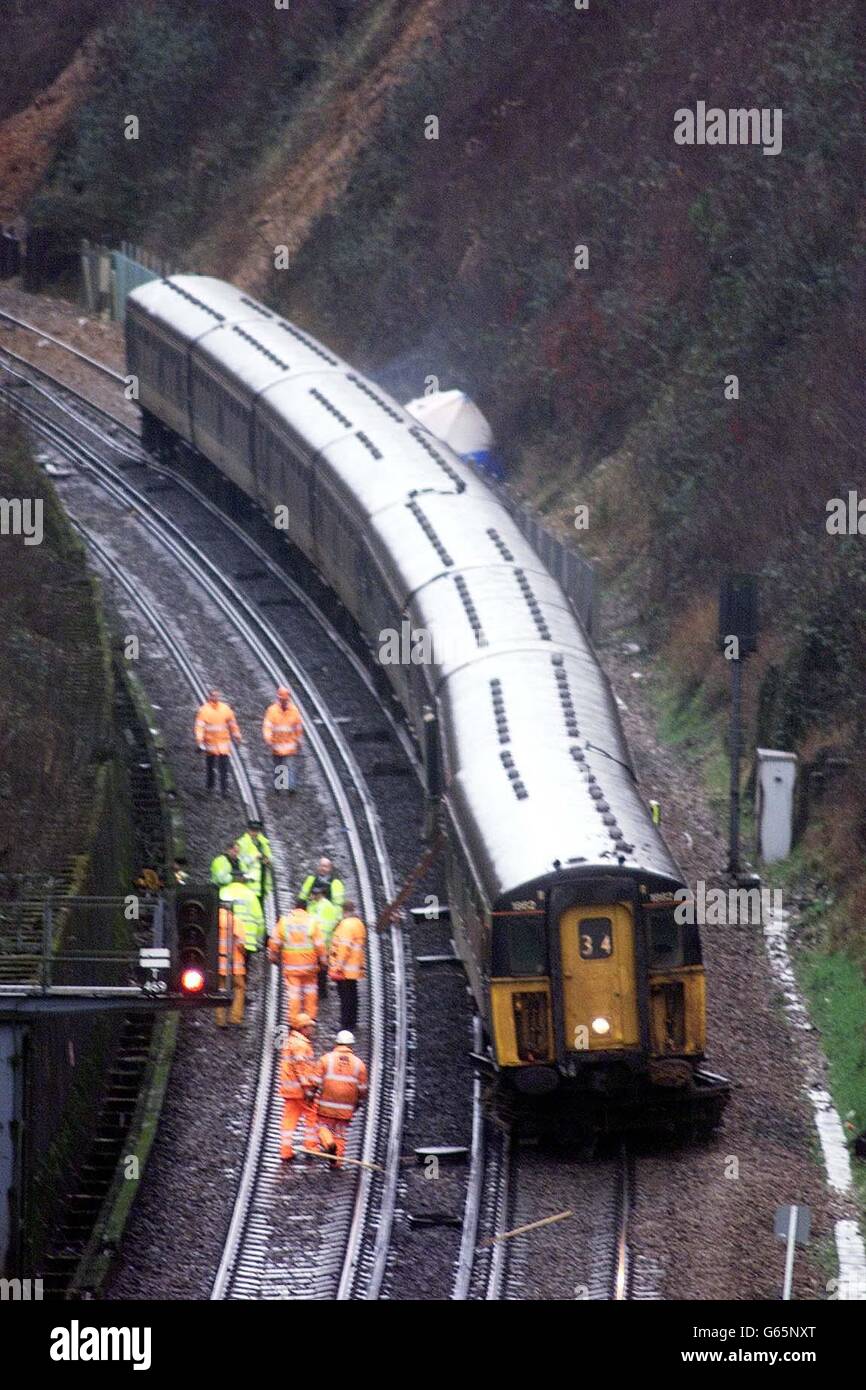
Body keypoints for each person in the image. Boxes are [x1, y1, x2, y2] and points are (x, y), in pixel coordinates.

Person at [307, 1031, 368, 1169]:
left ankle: (328, 1144)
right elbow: (363, 1089)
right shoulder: (359, 1064)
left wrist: (311, 1094)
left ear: (337, 1043)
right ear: (351, 1045)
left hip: (326, 1105)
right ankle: (337, 1162)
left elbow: (315, 1081)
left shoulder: (325, 1059)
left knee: (322, 1127)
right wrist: (359, 1102)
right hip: (346, 1107)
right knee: (340, 1134)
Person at [269, 901, 326, 1025]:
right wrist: (323, 961)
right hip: (310, 967)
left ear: (294, 908)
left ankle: (295, 1021)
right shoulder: (312, 922)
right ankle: (310, 1019)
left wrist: (273, 955)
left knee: (294, 995)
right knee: (310, 993)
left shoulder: (284, 921)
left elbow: (275, 942)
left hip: (292, 967)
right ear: (306, 909)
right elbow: (319, 945)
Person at [219, 870, 265, 1003]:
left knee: (222, 968)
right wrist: (259, 940)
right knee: (242, 969)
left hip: (224, 938)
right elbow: (260, 920)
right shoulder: (250, 895)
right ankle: (239, 996)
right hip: (246, 940)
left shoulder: (223, 891)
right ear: (243, 880)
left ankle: (223, 993)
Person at [278, 1013, 318, 1160]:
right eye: (310, 1027)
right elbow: (301, 1067)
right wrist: (307, 1087)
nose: (312, 1030)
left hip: (289, 1089)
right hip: (300, 1090)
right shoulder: (301, 1045)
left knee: (289, 1119)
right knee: (312, 1116)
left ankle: (285, 1151)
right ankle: (310, 1147)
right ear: (303, 1028)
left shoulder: (289, 1041)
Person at [194, 689, 242, 798]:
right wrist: (199, 740)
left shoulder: (225, 709)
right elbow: (199, 727)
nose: (215, 697)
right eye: (213, 695)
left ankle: (224, 790)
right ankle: (210, 788)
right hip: (210, 746)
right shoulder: (204, 711)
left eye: (216, 695)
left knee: (223, 769)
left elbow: (232, 724)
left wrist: (237, 735)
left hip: (223, 746)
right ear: (209, 696)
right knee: (210, 768)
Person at [328, 900, 366, 1033]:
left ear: (344, 911)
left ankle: (345, 1025)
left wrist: (338, 966)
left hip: (344, 969)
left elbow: (344, 947)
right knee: (353, 995)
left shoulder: (346, 925)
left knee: (345, 998)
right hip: (354, 968)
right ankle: (352, 1022)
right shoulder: (358, 923)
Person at [262, 686, 303, 793]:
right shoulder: (272, 711)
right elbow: (267, 726)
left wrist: (299, 740)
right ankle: (280, 786)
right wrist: (268, 738)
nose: (284, 701)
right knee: (279, 766)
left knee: (289, 766)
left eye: (286, 699)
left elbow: (297, 727)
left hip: (289, 745)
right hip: (277, 744)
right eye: (283, 699)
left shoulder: (294, 711)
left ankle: (290, 787)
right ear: (279, 699)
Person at [216, 898, 247, 1027]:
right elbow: (240, 944)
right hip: (234, 965)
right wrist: (244, 954)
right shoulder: (235, 920)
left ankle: (220, 1019)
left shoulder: (212, 920)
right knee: (239, 988)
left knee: (220, 990)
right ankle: (235, 1017)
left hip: (217, 964)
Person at [307, 886, 342, 999]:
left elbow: (324, 926)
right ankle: (319, 991)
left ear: (319, 894)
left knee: (321, 969)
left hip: (322, 943)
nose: (311, 896)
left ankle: (322, 993)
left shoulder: (325, 906)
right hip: (317, 942)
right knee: (318, 968)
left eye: (313, 894)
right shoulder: (315, 905)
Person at [236, 819, 273, 909]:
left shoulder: (264, 842)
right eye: (252, 830)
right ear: (248, 830)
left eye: (257, 830)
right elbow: (240, 861)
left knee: (259, 912)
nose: (255, 833)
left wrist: (268, 860)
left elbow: (270, 857)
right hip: (248, 884)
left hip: (261, 884)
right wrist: (254, 857)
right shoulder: (242, 843)